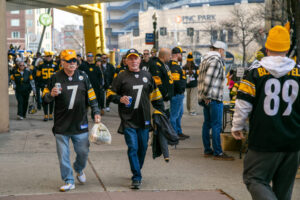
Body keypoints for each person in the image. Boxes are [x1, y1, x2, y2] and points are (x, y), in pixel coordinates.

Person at [232, 25, 300, 200]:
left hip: (264, 139)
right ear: (287, 49)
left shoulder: (255, 72)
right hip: (293, 140)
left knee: (254, 178)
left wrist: (237, 125)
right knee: (284, 189)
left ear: (267, 47)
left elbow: (243, 103)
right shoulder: (298, 72)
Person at [43, 49, 101, 192]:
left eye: (74, 60)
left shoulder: (83, 76)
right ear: (62, 62)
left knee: (83, 152)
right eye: (68, 61)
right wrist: (50, 95)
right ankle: (68, 180)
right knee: (63, 155)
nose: (72, 63)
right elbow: (44, 99)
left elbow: (91, 95)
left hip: (79, 122)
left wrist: (96, 111)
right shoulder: (55, 77)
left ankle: (79, 168)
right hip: (61, 124)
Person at [107, 49, 165, 190]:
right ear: (126, 61)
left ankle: (136, 169)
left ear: (140, 60)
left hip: (144, 119)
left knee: (143, 148)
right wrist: (119, 98)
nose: (133, 61)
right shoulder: (121, 76)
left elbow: (156, 96)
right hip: (128, 119)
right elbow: (109, 94)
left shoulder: (147, 75)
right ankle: (137, 177)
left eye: (135, 58)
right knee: (133, 147)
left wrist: (161, 113)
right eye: (130, 59)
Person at [198, 41, 234, 160]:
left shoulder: (205, 59)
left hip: (206, 97)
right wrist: (207, 96)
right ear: (220, 50)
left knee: (207, 124)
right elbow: (208, 80)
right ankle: (218, 152)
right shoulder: (215, 60)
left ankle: (207, 150)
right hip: (213, 97)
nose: (224, 53)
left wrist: (204, 96)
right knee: (216, 125)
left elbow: (202, 80)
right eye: (223, 51)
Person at [169, 47, 189, 140]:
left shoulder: (176, 65)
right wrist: (180, 89)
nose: (182, 56)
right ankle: (173, 135)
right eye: (181, 54)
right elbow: (175, 82)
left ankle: (178, 132)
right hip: (177, 94)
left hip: (178, 95)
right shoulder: (174, 66)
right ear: (177, 55)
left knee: (179, 114)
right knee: (174, 116)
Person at [149, 48, 173, 116]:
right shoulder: (156, 65)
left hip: (166, 99)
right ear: (164, 56)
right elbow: (157, 83)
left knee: (167, 116)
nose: (170, 57)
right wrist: (165, 94)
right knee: (162, 118)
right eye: (169, 55)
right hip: (161, 99)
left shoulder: (164, 64)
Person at [37, 51, 59, 121]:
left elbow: (58, 75)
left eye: (50, 56)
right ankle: (45, 114)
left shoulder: (55, 65)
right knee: (44, 99)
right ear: (45, 57)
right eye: (47, 56)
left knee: (52, 99)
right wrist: (40, 84)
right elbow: (38, 76)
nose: (49, 58)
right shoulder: (41, 65)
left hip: (52, 85)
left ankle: (50, 114)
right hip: (44, 85)